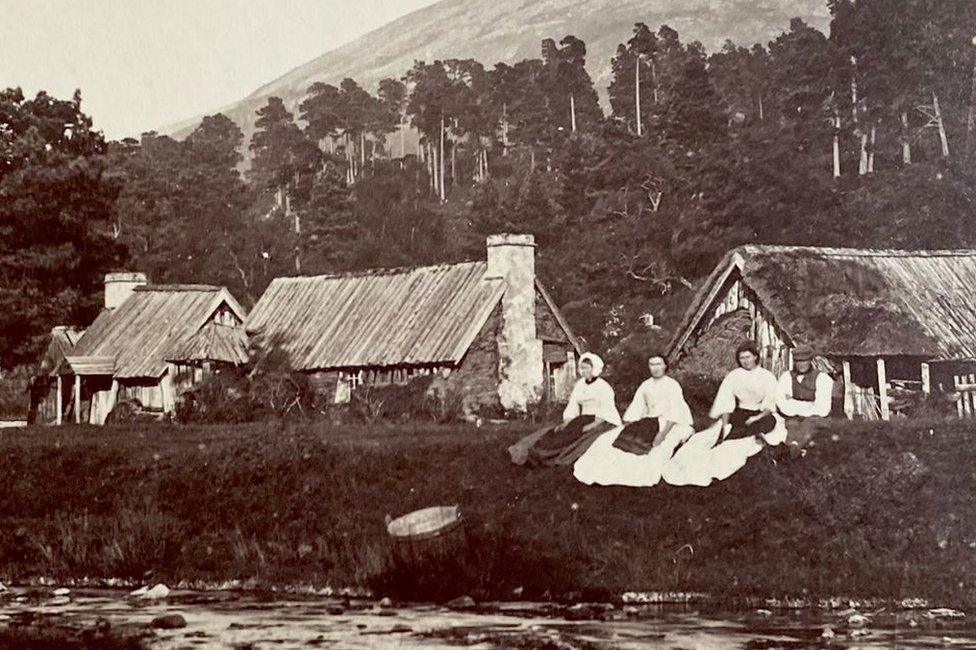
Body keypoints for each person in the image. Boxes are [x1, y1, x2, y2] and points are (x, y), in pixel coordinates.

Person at [663, 342, 787, 487]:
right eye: (742, 358)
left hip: (761, 414)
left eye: (748, 357)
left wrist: (756, 417)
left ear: (755, 357)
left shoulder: (767, 376)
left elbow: (770, 404)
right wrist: (724, 424)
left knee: (766, 425)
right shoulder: (734, 376)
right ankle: (724, 446)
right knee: (720, 435)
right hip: (740, 412)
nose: (745, 361)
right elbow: (725, 402)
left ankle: (751, 441)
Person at [574, 353, 694, 487]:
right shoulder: (646, 385)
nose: (655, 368)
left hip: (668, 421)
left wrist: (663, 434)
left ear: (665, 366)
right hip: (649, 419)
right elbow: (638, 406)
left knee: (653, 447)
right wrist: (630, 422)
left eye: (658, 364)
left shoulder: (673, 385)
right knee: (607, 440)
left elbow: (675, 411)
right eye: (652, 364)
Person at [508, 352, 621, 467]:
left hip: (600, 419)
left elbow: (606, 408)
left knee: (576, 436)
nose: (582, 371)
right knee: (560, 432)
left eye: (586, 368)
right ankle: (538, 452)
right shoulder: (580, 384)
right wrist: (567, 420)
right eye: (581, 368)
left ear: (594, 369)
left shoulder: (603, 387)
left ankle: (549, 455)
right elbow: (573, 403)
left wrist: (592, 425)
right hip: (582, 418)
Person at [777, 344, 833, 450]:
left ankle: (793, 451)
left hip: (817, 420)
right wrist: (810, 404)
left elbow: (823, 409)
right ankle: (790, 452)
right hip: (793, 419)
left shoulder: (822, 378)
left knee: (807, 426)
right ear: (794, 362)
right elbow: (783, 406)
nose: (801, 364)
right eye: (798, 361)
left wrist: (793, 401)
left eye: (804, 360)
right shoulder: (786, 377)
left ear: (810, 361)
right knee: (790, 428)